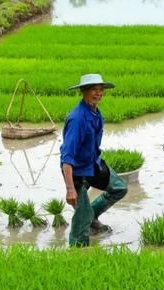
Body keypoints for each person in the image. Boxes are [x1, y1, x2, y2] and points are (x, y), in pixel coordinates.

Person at [60, 74, 127, 247]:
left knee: (119, 188)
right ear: (83, 92)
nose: (98, 93)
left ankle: (91, 216)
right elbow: (67, 156)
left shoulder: (95, 112)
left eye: (100, 90)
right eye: (93, 90)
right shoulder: (77, 118)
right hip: (77, 171)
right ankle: (77, 252)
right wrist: (70, 189)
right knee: (81, 221)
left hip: (93, 164)